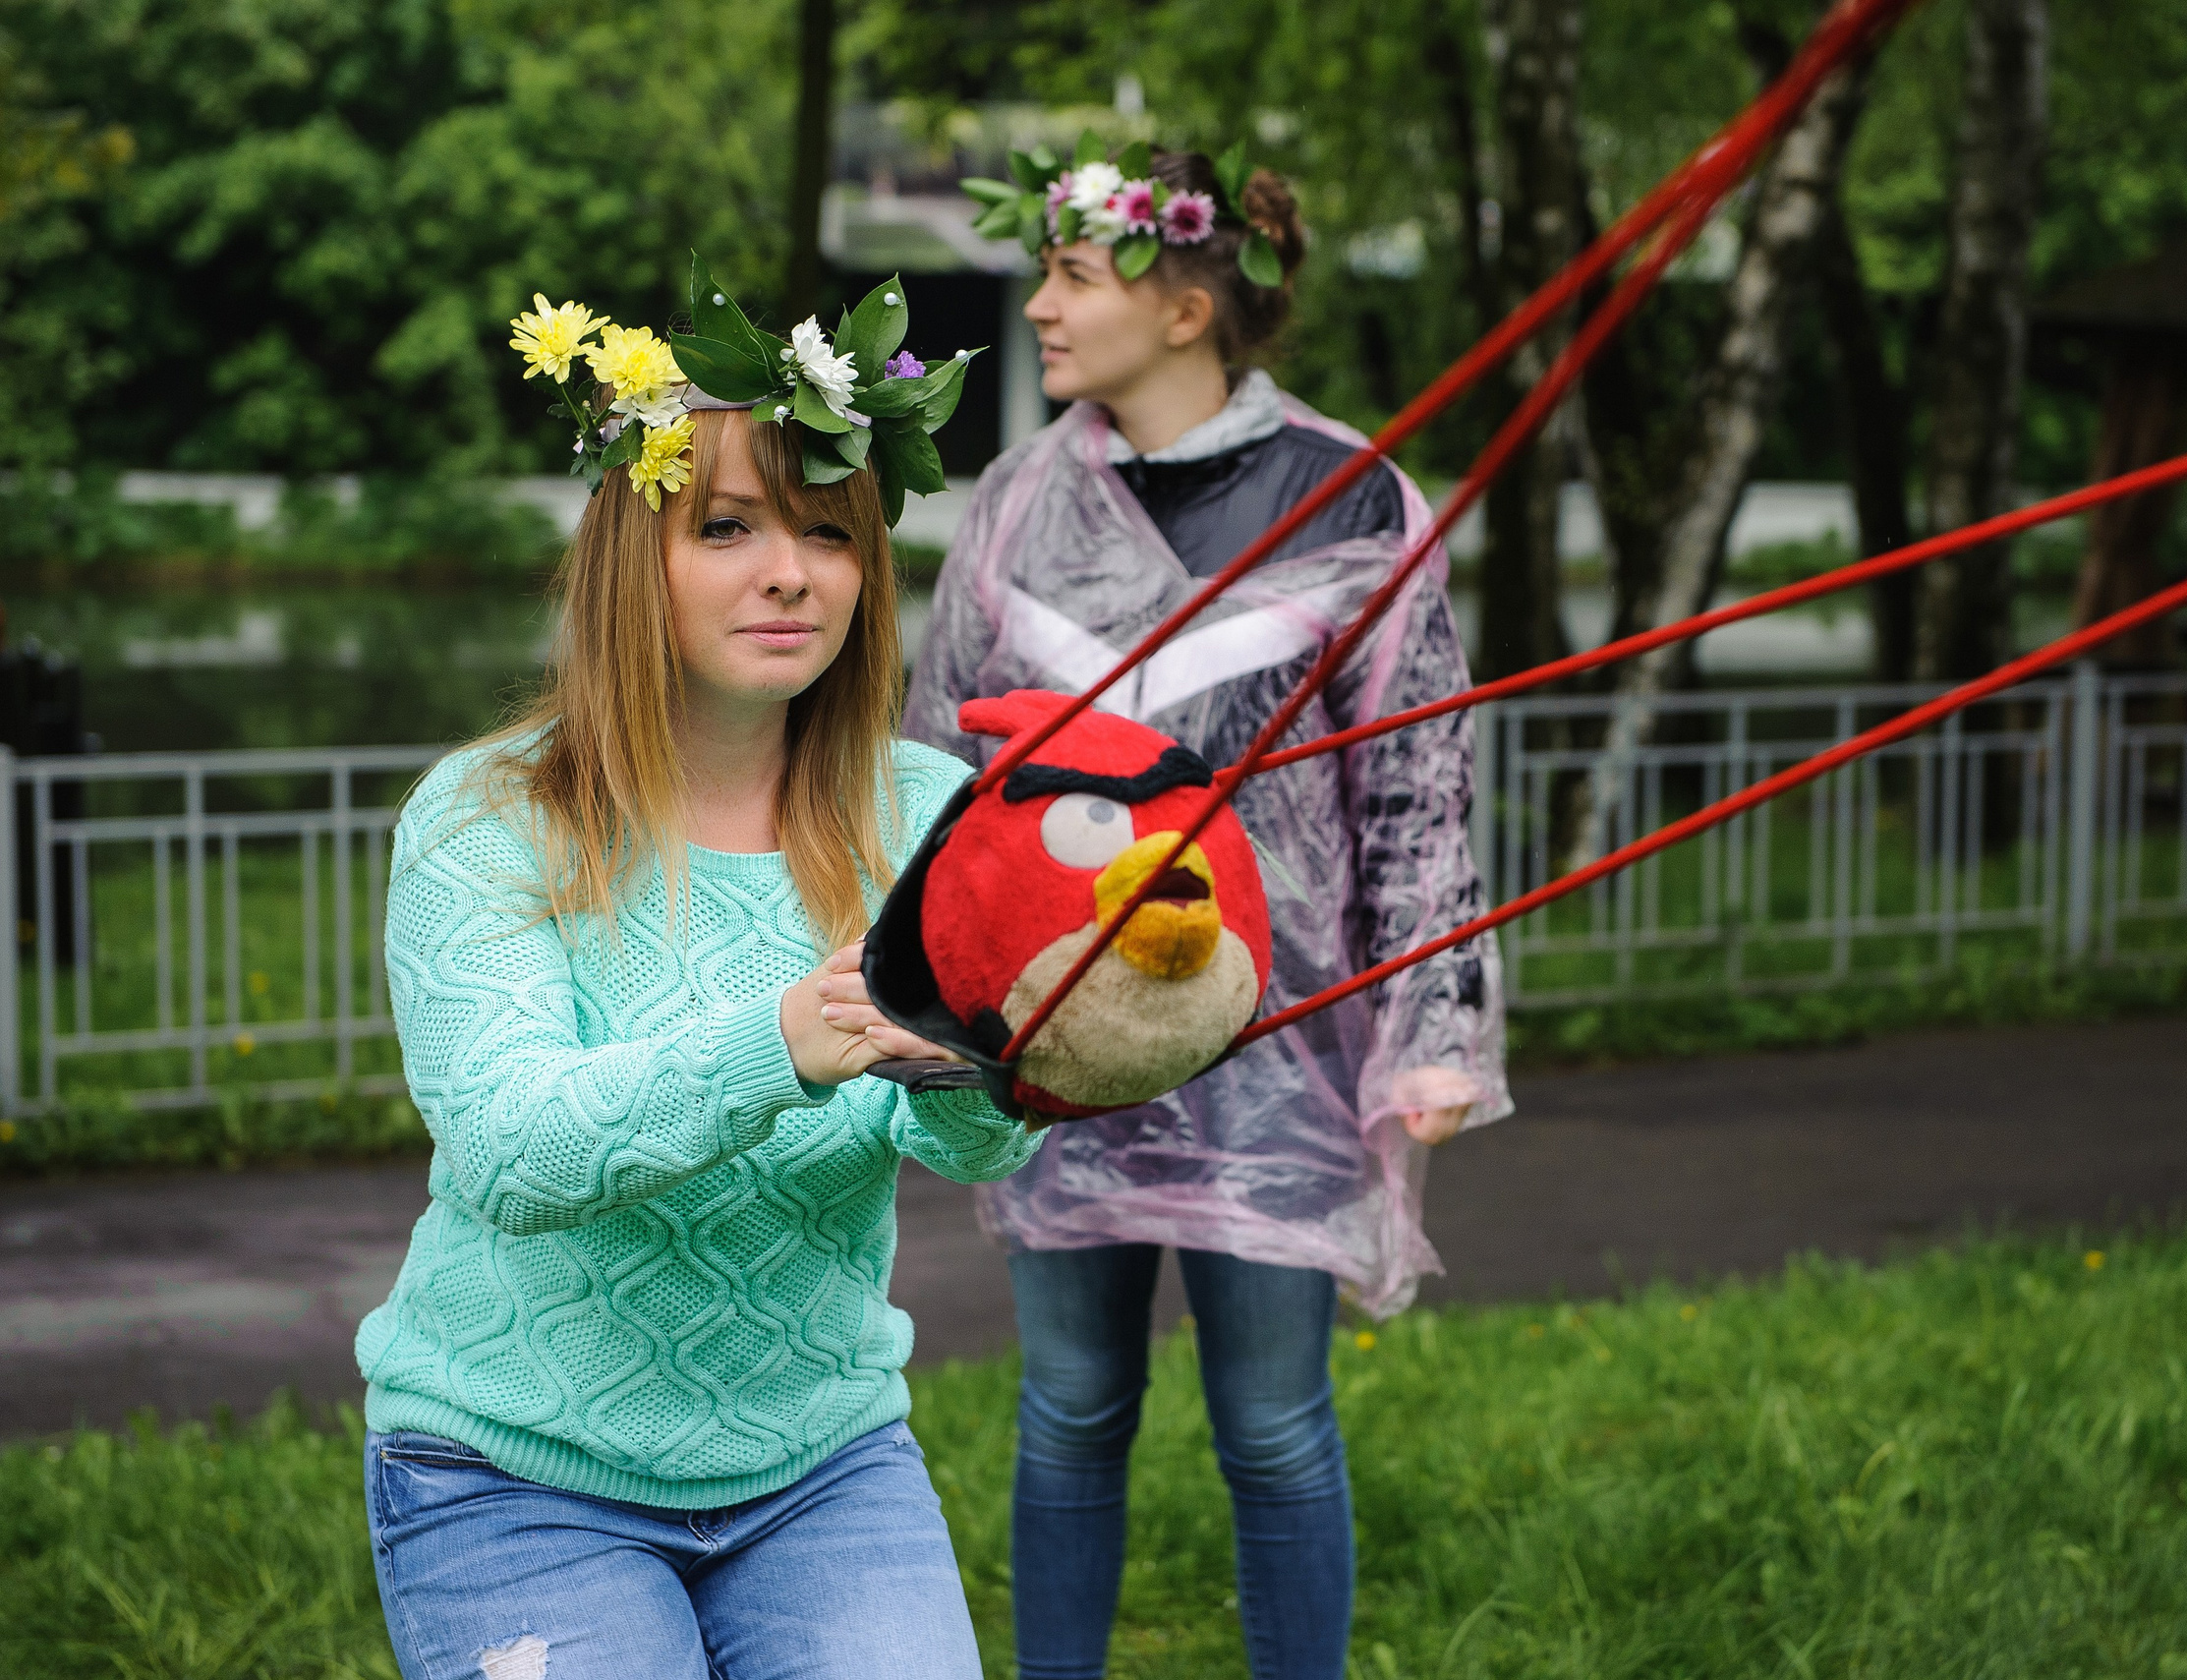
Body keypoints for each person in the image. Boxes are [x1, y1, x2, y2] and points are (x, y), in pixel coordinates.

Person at [358, 278, 1028, 1679]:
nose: (789, 571)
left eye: (827, 533)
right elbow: (509, 1145)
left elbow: (967, 1138)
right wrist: (787, 1035)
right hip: (514, 1468)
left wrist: (999, 1057)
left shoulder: (932, 813)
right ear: (631, 558)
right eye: (725, 527)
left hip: (821, 1461)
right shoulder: (487, 816)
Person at [916, 142, 1510, 1679]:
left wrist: (1435, 1027)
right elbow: (935, 774)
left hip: (1282, 1037)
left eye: (1071, 273)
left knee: (1274, 1425)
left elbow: (1420, 784)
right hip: (1052, 1031)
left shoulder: (1356, 499)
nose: (1038, 303)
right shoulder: (1011, 506)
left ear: (1186, 305)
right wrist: (921, 988)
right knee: (1067, 1408)